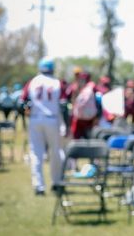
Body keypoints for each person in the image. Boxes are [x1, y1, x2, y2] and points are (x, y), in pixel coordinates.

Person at [22, 57, 65, 196]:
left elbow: (23, 102)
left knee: (36, 153)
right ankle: (57, 182)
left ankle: (39, 186)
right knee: (56, 152)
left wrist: (27, 113)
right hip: (52, 119)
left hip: (35, 119)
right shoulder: (58, 83)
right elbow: (64, 105)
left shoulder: (33, 81)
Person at [69, 72, 99, 139]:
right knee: (84, 138)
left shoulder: (88, 87)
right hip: (86, 118)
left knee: (80, 138)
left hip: (84, 118)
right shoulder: (90, 87)